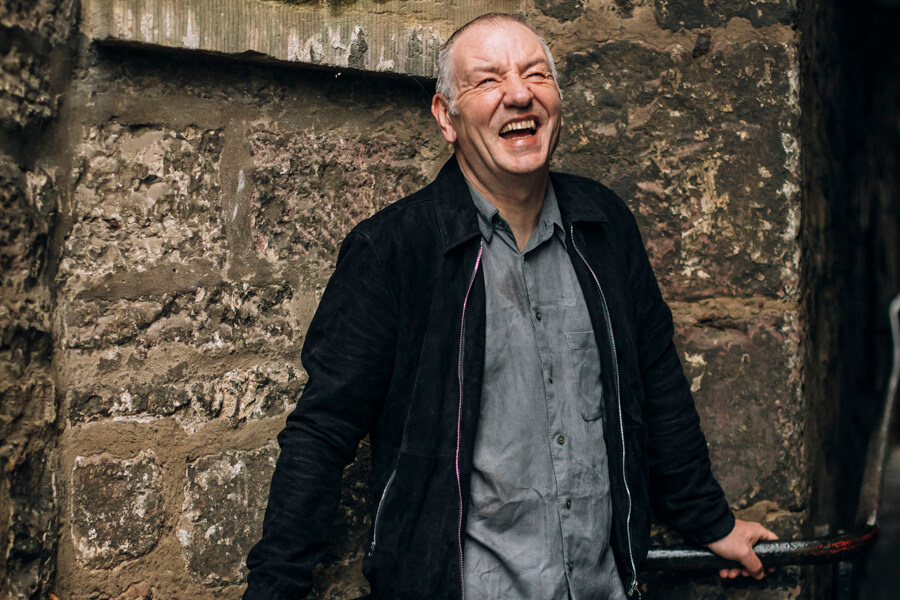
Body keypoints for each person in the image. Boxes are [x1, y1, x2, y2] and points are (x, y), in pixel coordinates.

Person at [243, 13, 777, 600]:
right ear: (447, 117)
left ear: (556, 101)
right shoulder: (394, 250)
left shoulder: (603, 225)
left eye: (535, 74)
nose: (519, 94)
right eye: (488, 80)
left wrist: (712, 523)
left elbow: (656, 381)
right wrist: (275, 589)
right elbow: (322, 432)